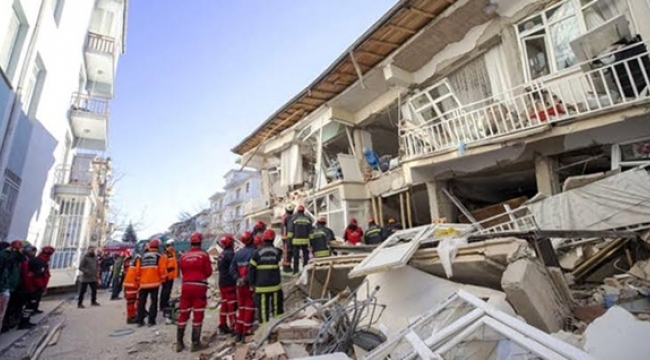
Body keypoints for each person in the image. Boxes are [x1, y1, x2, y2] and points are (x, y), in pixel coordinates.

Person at [175, 232, 212, 352]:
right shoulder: (203, 255)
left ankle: (179, 343)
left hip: (186, 286)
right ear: (200, 241)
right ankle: (195, 343)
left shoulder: (184, 256)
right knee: (198, 314)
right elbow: (208, 272)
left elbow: (182, 271)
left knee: (183, 313)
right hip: (199, 287)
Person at [249, 229, 283, 325]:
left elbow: (251, 269)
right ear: (273, 239)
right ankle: (278, 326)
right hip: (275, 285)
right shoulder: (278, 252)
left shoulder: (256, 253)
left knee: (263, 309)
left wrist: (252, 283)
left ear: (263, 239)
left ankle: (264, 331)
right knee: (277, 307)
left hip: (261, 285)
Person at [229, 230, 256, 343]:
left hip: (239, 285)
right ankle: (246, 331)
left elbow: (232, 269)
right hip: (249, 285)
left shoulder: (238, 253)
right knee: (249, 308)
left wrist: (238, 279)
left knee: (241, 308)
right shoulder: (254, 253)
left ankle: (238, 332)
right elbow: (253, 270)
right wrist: (246, 280)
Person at [135, 239, 167, 327]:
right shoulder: (159, 257)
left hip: (143, 284)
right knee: (154, 302)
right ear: (157, 246)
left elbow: (137, 271)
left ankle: (140, 321)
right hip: (154, 283)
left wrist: (138, 281)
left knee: (141, 302)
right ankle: (151, 321)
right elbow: (162, 270)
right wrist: (163, 280)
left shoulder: (141, 257)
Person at [0, 241, 24, 332]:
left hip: (8, 287)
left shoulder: (14, 258)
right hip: (3, 288)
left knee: (3, 312)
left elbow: (22, 259)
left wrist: (18, 252)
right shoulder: (4, 256)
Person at [217, 234, 236, 335]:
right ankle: (234, 326)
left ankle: (222, 324)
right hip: (229, 283)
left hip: (222, 282)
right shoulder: (230, 254)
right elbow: (234, 268)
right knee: (231, 305)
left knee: (224, 304)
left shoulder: (221, 254)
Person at [27, 246, 55, 314]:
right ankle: (27, 316)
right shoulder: (40, 261)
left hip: (39, 283)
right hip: (36, 285)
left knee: (37, 298)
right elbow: (37, 276)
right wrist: (42, 286)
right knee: (33, 300)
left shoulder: (43, 261)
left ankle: (35, 309)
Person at [288, 205, 312, 274]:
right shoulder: (307, 219)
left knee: (296, 256)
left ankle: (296, 270)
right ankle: (306, 270)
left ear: (297, 210)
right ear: (303, 211)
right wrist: (311, 242)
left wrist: (289, 242)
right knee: (305, 255)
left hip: (296, 241)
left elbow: (290, 231)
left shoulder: (293, 218)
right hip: (305, 241)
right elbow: (310, 231)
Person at [160, 239, 178, 323]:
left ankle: (165, 303)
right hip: (167, 277)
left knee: (168, 291)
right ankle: (163, 305)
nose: (172, 246)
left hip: (171, 276)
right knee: (165, 291)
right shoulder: (165, 254)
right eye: (171, 245)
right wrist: (164, 276)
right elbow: (163, 267)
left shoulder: (172, 253)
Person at [122, 250, 139, 324]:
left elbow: (125, 272)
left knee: (131, 301)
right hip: (133, 283)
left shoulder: (127, 261)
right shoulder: (137, 260)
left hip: (128, 282)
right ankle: (131, 317)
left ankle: (131, 316)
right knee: (133, 301)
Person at [281, 204, 295, 273]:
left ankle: (287, 266)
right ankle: (286, 267)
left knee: (288, 252)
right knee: (287, 252)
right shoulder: (289, 217)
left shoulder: (285, 217)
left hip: (288, 237)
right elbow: (284, 227)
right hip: (289, 237)